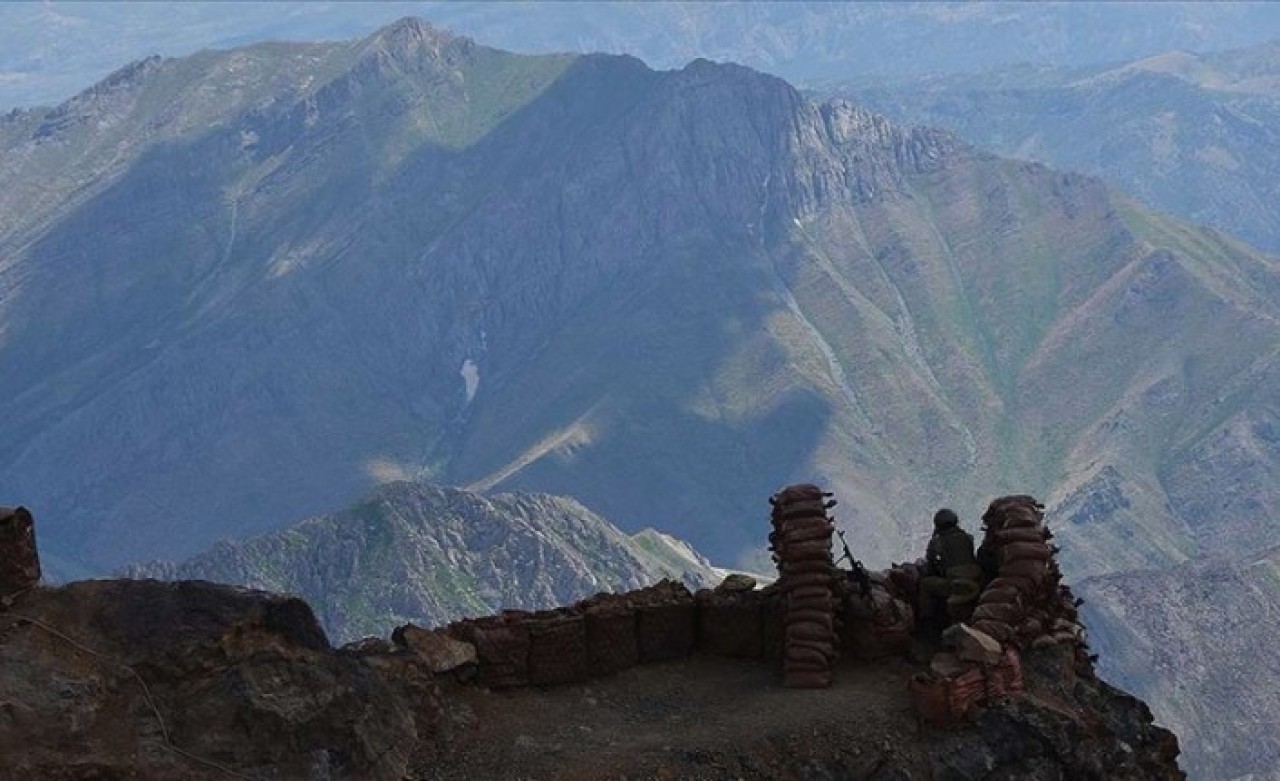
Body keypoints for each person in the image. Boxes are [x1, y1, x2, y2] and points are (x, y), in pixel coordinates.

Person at [919, 509, 983, 629]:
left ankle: (927, 623)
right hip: (976, 582)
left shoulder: (936, 542)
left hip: (955, 585)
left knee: (925, 584)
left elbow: (931, 568)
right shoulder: (968, 538)